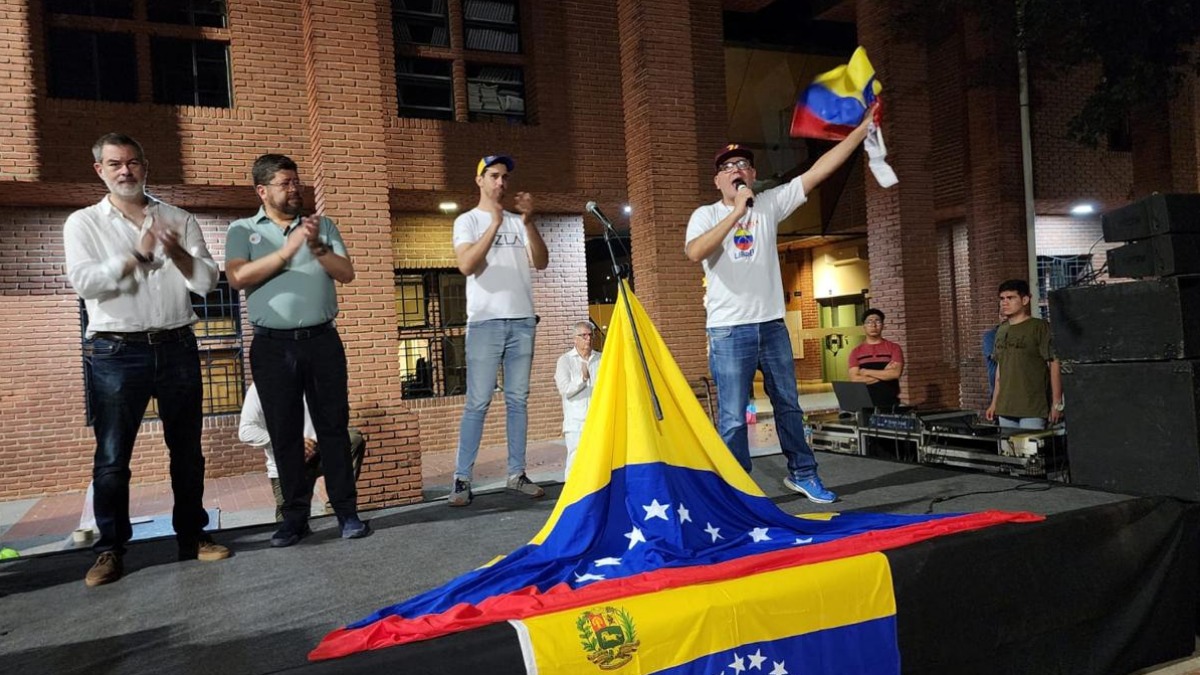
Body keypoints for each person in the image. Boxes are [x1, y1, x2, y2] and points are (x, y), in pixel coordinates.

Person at [64, 132, 230, 587]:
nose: (125, 171)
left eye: (133, 162)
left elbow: (206, 283)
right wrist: (136, 256)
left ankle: (193, 536)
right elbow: (85, 283)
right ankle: (110, 550)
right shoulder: (84, 223)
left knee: (187, 452)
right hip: (116, 351)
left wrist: (173, 248)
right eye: (115, 164)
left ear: (145, 166)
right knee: (114, 457)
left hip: (177, 345)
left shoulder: (178, 218)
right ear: (100, 169)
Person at [685, 111, 874, 504]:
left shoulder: (769, 205)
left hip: (771, 325)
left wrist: (859, 132)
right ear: (717, 179)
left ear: (753, 175)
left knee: (788, 404)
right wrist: (736, 211)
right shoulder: (706, 215)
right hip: (728, 329)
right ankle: (738, 489)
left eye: (743, 165)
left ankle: (803, 474)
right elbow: (694, 252)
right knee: (734, 417)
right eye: (728, 167)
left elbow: (820, 171)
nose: (736, 170)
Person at [225, 154, 369, 546]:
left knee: (333, 429)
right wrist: (287, 252)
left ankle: (347, 513)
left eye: (296, 182)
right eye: (285, 183)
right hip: (272, 346)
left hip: (322, 341)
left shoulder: (321, 225)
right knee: (285, 434)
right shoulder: (242, 230)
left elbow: (346, 274)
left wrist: (318, 248)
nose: (295, 189)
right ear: (262, 190)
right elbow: (237, 276)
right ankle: (294, 519)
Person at [448, 154, 550, 506]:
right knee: (477, 402)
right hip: (485, 322)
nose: (501, 183)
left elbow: (541, 261)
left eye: (505, 177)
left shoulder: (518, 222)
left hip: (522, 320)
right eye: (494, 176)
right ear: (480, 180)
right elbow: (466, 265)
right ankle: (462, 478)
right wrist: (493, 224)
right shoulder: (467, 221)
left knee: (517, 400)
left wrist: (529, 222)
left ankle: (516, 473)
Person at [238, 382, 367, 522]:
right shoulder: (261, 386)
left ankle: (337, 507)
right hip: (289, 465)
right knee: (293, 526)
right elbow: (246, 431)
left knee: (352, 439)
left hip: (319, 453)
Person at [985, 279, 1063, 429]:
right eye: (1002, 299)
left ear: (1025, 299)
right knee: (1007, 451)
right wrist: (994, 403)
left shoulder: (1039, 327)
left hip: (1032, 408)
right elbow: (1000, 369)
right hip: (1005, 407)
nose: (1004, 303)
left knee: (1030, 450)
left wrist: (1057, 403)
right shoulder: (1001, 330)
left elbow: (1054, 363)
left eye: (1010, 298)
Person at [554, 320, 602, 479]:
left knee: (598, 462)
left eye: (590, 335)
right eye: (583, 335)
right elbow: (565, 390)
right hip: (576, 423)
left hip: (598, 420)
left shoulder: (601, 359)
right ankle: (572, 498)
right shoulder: (565, 361)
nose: (588, 339)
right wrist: (582, 379)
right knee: (575, 461)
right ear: (574, 338)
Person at [848, 308, 904, 408]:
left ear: (883, 325)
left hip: (890, 403)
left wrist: (866, 371)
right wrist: (884, 374)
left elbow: (895, 374)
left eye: (877, 321)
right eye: (869, 322)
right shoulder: (855, 352)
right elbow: (855, 379)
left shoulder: (894, 348)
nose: (873, 325)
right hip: (864, 403)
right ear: (864, 327)